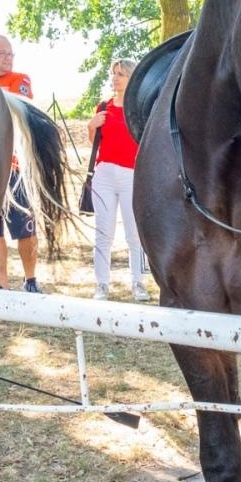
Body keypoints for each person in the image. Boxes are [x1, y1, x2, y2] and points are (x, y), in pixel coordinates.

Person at [0, 34, 41, 293]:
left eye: (10, 54)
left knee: (24, 229)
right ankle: (0, 283)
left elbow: (20, 107)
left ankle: (30, 278)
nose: (8, 58)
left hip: (15, 168)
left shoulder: (20, 80)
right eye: (2, 53)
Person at [86, 58, 147, 301]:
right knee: (103, 232)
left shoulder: (139, 108)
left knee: (134, 234)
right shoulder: (103, 107)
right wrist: (92, 126)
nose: (116, 78)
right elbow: (96, 143)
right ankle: (101, 284)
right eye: (114, 73)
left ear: (131, 78)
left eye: (121, 74)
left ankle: (138, 283)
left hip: (131, 175)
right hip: (104, 174)